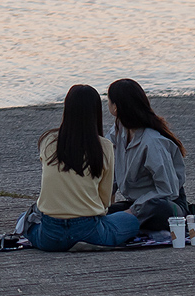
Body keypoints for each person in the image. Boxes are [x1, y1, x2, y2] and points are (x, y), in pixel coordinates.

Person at [24, 84, 142, 251]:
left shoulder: (48, 141)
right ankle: (82, 241)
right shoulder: (104, 146)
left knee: (25, 220)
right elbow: (105, 200)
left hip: (51, 234)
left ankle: (63, 240)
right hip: (88, 230)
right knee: (131, 221)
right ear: (95, 112)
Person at [107, 78, 195, 228]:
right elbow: (110, 168)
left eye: (109, 101)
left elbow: (168, 191)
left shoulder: (152, 142)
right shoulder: (118, 131)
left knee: (157, 211)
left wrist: (133, 211)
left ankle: (190, 212)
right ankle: (187, 211)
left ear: (116, 107)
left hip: (166, 202)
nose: (107, 105)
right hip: (137, 203)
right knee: (104, 214)